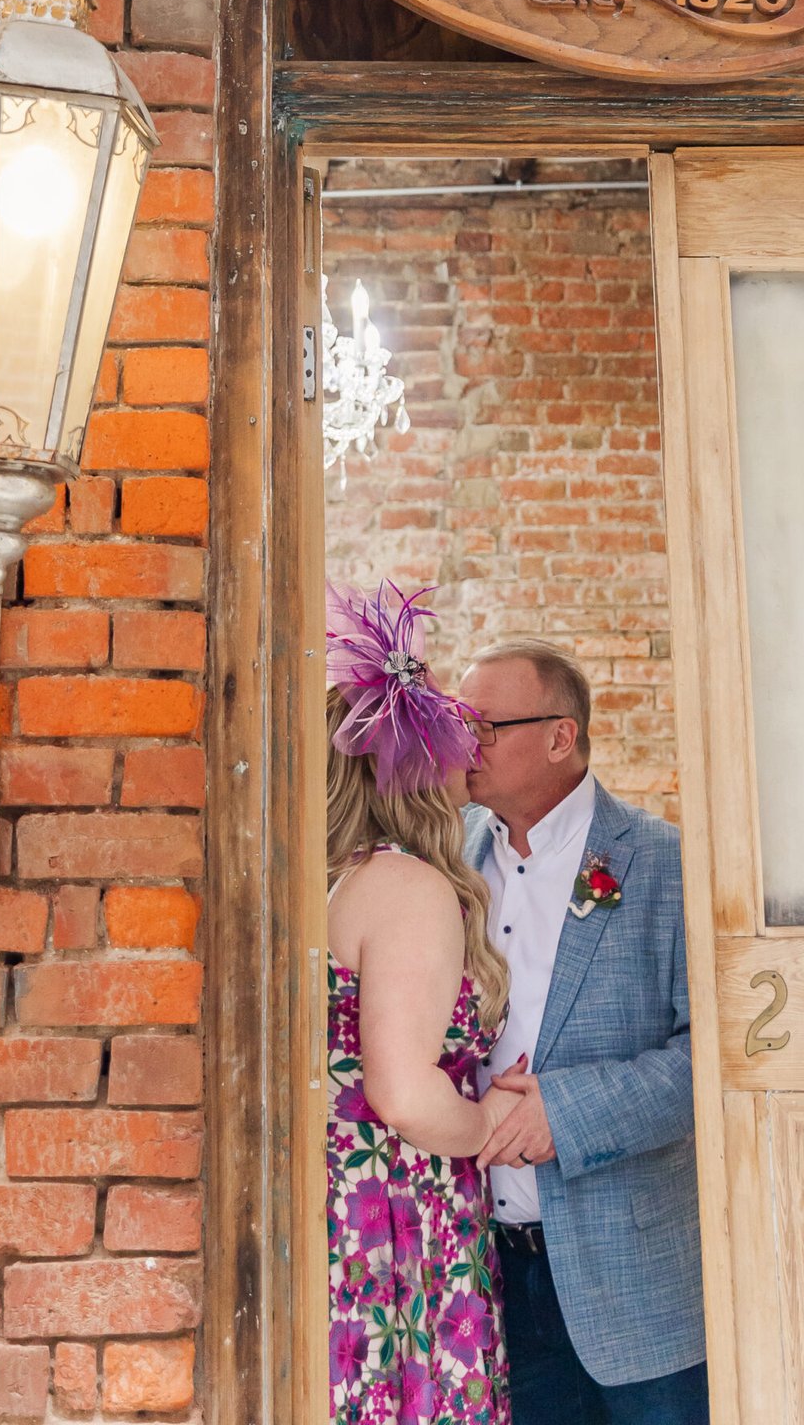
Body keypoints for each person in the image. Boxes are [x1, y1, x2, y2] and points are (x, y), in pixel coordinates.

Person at [460, 637, 706, 1425]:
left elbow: (712, 1059)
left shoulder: (666, 864)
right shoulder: (445, 859)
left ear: (560, 737)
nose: (464, 742)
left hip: (639, 1285)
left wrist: (562, 1114)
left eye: (484, 726)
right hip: (489, 1280)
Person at [326, 581, 521, 1425]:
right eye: (448, 735)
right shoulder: (407, 889)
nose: (465, 753)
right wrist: (486, 1126)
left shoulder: (338, 879)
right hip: (398, 1223)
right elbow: (403, 1093)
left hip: (348, 1211)